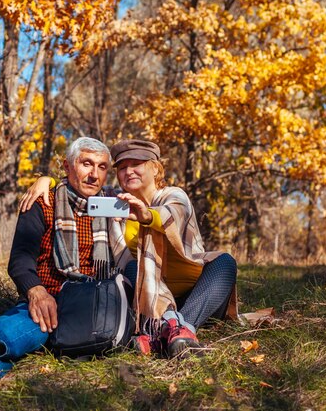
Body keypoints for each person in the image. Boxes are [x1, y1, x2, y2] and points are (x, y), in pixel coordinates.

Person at [21, 139, 238, 358]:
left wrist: (146, 215)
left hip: (198, 296)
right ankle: (166, 328)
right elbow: (79, 185)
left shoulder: (173, 195)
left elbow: (173, 214)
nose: (129, 171)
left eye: (137, 164)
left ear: (155, 167)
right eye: (122, 167)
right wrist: (46, 181)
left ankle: (180, 328)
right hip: (147, 299)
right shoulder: (115, 201)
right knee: (132, 266)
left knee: (224, 262)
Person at [0, 137, 118, 382]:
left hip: (93, 306)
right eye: (86, 164)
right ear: (67, 166)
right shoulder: (43, 202)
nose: (94, 174)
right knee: (37, 319)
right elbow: (20, 259)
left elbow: (147, 200)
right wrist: (37, 292)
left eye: (102, 167)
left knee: (44, 323)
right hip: (50, 295)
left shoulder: (115, 207)